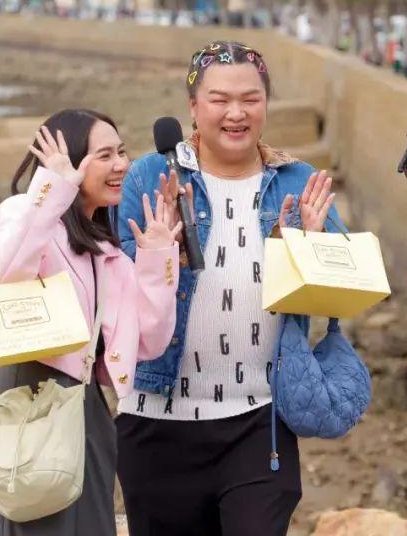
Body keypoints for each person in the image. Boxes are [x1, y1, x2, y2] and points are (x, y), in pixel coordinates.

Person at [116, 41, 342, 536]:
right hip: (155, 420)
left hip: (260, 424)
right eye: (219, 100)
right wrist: (158, 250)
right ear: (194, 107)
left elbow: (345, 290)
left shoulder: (297, 181)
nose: (236, 113)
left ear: (266, 103)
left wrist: (313, 247)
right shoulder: (150, 175)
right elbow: (116, 290)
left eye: (251, 98)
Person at [0, 109, 182, 536]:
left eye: (122, 152)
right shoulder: (22, 212)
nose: (122, 165)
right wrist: (53, 187)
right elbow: (1, 276)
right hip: (31, 403)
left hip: (86, 410)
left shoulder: (104, 252)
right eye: (104, 155)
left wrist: (157, 259)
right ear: (70, 162)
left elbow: (148, 342)